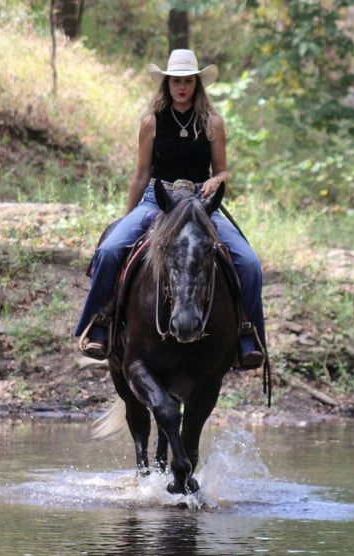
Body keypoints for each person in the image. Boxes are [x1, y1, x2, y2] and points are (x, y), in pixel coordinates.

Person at [73, 49, 265, 369]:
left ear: (196, 84)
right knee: (108, 250)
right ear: (166, 83)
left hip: (200, 204)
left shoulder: (212, 122)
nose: (182, 87)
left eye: (188, 81)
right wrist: (128, 215)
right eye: (176, 81)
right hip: (157, 200)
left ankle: (248, 334)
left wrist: (217, 182)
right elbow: (141, 173)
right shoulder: (151, 122)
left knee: (249, 263)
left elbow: (222, 170)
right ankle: (101, 323)